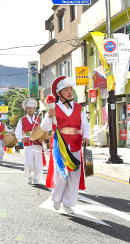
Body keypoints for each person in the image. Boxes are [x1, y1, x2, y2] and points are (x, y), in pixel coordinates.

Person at [40, 76, 90, 214]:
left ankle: (68, 203)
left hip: (75, 142)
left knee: (74, 173)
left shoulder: (79, 108)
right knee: (61, 172)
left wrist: (86, 136)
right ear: (59, 93)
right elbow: (45, 127)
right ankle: (56, 198)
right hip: (60, 143)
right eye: (66, 90)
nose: (70, 92)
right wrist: (49, 116)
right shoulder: (53, 108)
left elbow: (85, 124)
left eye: (71, 89)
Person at [15, 98, 44, 184]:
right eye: (29, 108)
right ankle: (28, 176)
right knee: (28, 161)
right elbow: (17, 131)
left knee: (38, 162)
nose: (31, 109)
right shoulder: (22, 119)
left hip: (37, 142)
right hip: (27, 142)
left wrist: (45, 137)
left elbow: (44, 129)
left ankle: (36, 178)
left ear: (34, 109)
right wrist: (21, 138)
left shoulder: (39, 119)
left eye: (32, 108)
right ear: (26, 109)